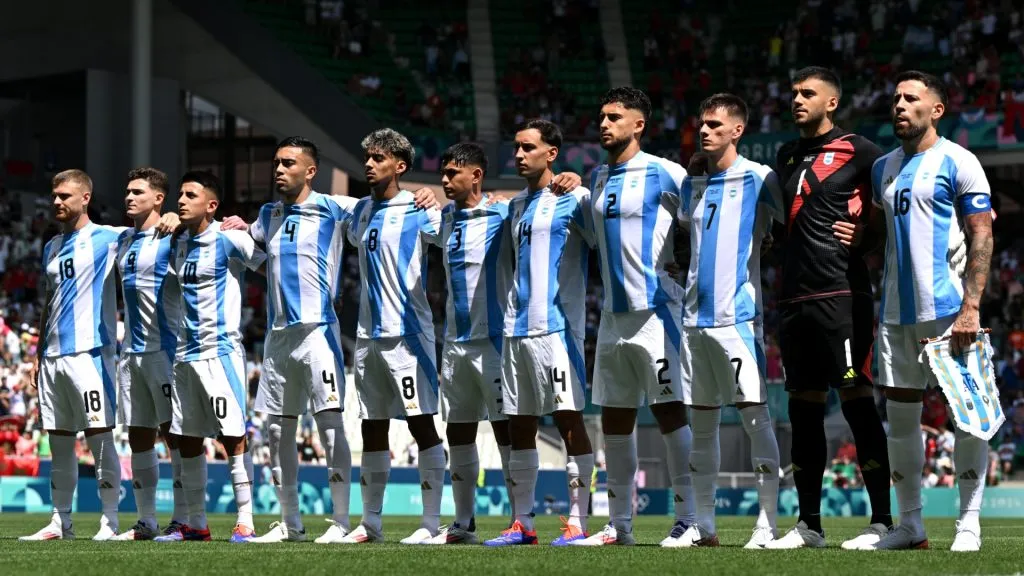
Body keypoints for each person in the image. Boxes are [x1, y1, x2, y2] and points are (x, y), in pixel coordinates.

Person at [247, 136, 437, 544]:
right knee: (280, 432)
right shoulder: (268, 214)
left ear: (310, 171)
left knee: (334, 425)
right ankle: (291, 523)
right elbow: (249, 245)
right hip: (280, 337)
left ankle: (343, 520)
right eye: (276, 163)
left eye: (287, 163)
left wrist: (428, 192)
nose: (278, 170)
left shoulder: (340, 208)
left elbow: (415, 210)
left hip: (322, 332)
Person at [856, 71, 993, 552]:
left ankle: (969, 521)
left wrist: (971, 306)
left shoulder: (960, 161)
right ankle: (910, 525)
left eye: (911, 98)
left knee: (968, 414)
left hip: (951, 310)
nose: (899, 105)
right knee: (901, 418)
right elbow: (881, 235)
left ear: (936, 110)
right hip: (895, 312)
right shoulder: (883, 168)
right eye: (895, 97)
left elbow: (981, 234)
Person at [430, 142, 582, 544]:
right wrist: (421, 196)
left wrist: (573, 177)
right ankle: (464, 522)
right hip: (454, 344)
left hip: (497, 342)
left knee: (510, 430)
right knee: (458, 431)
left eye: (451, 174)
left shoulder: (504, 211)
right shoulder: (443, 218)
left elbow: (538, 211)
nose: (444, 180)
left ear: (476, 176)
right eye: (442, 174)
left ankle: (522, 519)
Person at [767, 66, 893, 550]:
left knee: (858, 401)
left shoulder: (861, 151)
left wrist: (868, 237)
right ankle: (809, 526)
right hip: (793, 300)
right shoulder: (786, 154)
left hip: (841, 296)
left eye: (807, 93)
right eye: (794, 92)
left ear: (832, 102)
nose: (796, 99)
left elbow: (893, 207)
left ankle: (882, 521)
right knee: (803, 410)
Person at [572, 86, 695, 547]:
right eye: (601, 116)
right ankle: (618, 524)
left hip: (657, 314)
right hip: (611, 317)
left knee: (669, 414)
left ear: (638, 124)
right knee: (614, 421)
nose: (604, 123)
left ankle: (689, 518)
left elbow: (700, 224)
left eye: (614, 117)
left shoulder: (667, 173)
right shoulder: (599, 178)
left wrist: (683, 272)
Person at [675, 93, 782, 549]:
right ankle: (704, 524)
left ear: (737, 130)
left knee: (756, 419)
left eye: (716, 125)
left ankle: (767, 522)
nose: (705, 131)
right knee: (701, 425)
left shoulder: (761, 178)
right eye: (702, 123)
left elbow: (793, 225)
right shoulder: (690, 184)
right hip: (693, 321)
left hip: (737, 319)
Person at [484, 119, 596, 547]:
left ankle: (577, 521)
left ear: (552, 153)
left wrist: (582, 182)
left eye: (528, 147)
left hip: (557, 329)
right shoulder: (514, 208)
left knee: (569, 420)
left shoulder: (575, 197)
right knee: (520, 424)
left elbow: (604, 237)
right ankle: (523, 523)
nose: (518, 154)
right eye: (516, 147)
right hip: (516, 330)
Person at [339, 128, 447, 545]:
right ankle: (370, 524)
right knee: (372, 425)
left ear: (399, 166)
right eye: (367, 157)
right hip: (367, 335)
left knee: (422, 424)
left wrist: (433, 198)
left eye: (378, 158)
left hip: (409, 334)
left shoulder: (419, 208)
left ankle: (432, 523)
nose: (368, 164)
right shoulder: (361, 211)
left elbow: (445, 234)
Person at [154, 171, 267, 543]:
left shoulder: (229, 239)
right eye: (180, 195)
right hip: (185, 356)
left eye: (190, 195)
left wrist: (252, 229)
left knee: (232, 436)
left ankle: (246, 520)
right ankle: (195, 523)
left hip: (221, 354)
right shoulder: (178, 243)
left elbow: (270, 263)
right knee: (186, 436)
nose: (181, 201)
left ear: (212, 205)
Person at [20, 170, 130, 541]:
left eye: (65, 196)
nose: (56, 202)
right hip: (52, 356)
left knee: (99, 436)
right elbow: (49, 302)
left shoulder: (110, 237)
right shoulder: (51, 246)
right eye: (54, 196)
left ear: (85, 198)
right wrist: (37, 353)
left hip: (91, 354)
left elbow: (149, 232)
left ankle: (110, 520)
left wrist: (170, 217)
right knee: (59, 439)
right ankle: (59, 521)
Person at [112, 168, 188, 541]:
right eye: (127, 191)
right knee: (138, 435)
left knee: (175, 435)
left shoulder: (173, 237)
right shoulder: (123, 239)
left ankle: (183, 518)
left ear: (159, 198)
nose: (129, 197)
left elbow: (211, 229)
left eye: (137, 191)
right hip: (130, 354)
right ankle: (146, 521)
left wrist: (179, 217)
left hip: (165, 350)